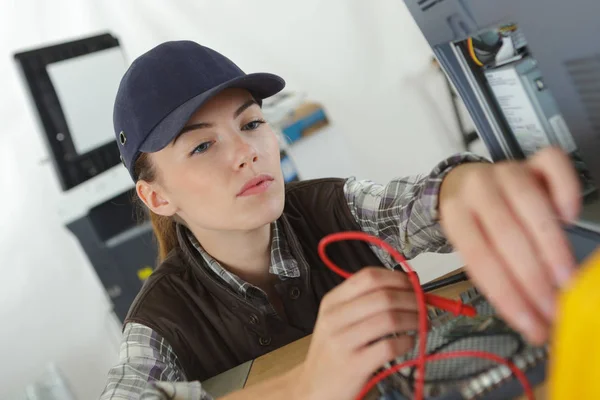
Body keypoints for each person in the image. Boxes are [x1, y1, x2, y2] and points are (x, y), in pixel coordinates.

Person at [100, 40, 581, 400]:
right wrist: (304, 387)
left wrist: (466, 187)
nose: (247, 153)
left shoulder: (329, 206)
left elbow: (420, 202)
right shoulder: (160, 321)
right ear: (156, 196)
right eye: (203, 145)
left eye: (250, 124)